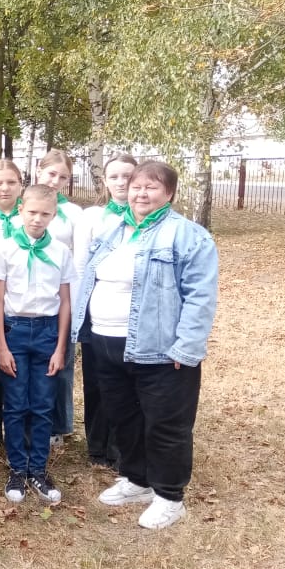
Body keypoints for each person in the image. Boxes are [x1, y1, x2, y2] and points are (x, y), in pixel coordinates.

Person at [73, 161, 217, 529]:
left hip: (159, 350)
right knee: (123, 416)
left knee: (166, 424)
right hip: (106, 344)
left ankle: (169, 495)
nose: (140, 193)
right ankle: (137, 479)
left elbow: (200, 298)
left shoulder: (188, 236)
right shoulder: (115, 230)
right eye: (137, 186)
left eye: (151, 187)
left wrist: (185, 349)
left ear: (169, 193)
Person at [0, 184, 74, 506]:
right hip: (16, 332)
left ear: (54, 215)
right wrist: (2, 347)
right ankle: (17, 469)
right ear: (21, 209)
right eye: (32, 212)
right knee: (15, 404)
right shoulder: (6, 249)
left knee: (42, 405)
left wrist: (61, 347)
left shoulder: (61, 252)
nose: (38, 219)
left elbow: (65, 302)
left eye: (45, 214)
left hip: (48, 332)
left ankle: (38, 468)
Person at [72, 153, 138, 469]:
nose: (121, 182)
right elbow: (81, 265)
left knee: (129, 383)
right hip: (96, 310)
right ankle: (98, 446)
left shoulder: (147, 218)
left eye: (128, 176)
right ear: (105, 181)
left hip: (132, 315)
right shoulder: (93, 217)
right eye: (114, 176)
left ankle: (123, 446)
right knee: (98, 379)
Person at [33, 149, 83, 443]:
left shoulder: (73, 213)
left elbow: (77, 259)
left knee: (61, 360)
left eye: (63, 177)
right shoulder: (24, 205)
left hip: (61, 292)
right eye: (52, 173)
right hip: (28, 295)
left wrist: (73, 301)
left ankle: (59, 424)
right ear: (39, 169)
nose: (56, 181)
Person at [0, 159, 24, 444]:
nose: (5, 188)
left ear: (21, 185)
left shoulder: (31, 219)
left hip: (21, 306)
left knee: (16, 369)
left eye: (11, 182)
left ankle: (18, 427)